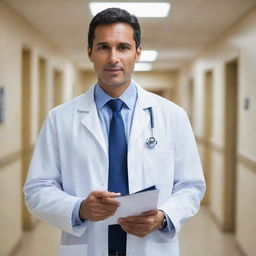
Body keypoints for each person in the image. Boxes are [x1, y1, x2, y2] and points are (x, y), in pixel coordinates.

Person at [24, 8, 205, 256]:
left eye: (123, 47)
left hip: (150, 245)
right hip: (87, 245)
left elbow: (190, 186)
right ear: (89, 52)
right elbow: (37, 189)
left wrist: (164, 217)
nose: (113, 58)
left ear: (137, 52)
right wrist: (80, 208)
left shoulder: (172, 116)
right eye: (103, 47)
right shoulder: (60, 118)